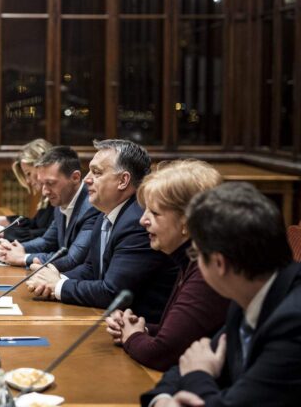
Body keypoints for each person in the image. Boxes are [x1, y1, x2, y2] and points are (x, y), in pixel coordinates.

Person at [141, 182, 301, 406]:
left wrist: (197, 375)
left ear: (219, 263)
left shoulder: (293, 322)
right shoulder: (248, 292)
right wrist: (162, 399)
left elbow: (203, 375)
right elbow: (190, 360)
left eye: (195, 253)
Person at [26, 139, 177, 324]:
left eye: (97, 172)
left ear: (123, 181)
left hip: (141, 328)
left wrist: (58, 285)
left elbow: (112, 292)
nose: (87, 179)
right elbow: (91, 269)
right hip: (108, 321)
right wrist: (53, 279)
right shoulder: (105, 213)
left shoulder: (137, 222)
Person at [105, 160, 230, 371]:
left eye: (154, 213)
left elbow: (161, 353)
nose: (142, 220)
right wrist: (136, 328)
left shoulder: (208, 271)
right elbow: (179, 334)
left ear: (187, 222)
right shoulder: (189, 258)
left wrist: (132, 336)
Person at [0, 146, 100, 272]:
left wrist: (24, 258)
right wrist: (16, 248)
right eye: (42, 183)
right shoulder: (61, 199)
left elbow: (72, 259)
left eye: (50, 183)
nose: (44, 192)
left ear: (75, 177)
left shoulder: (91, 207)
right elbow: (47, 241)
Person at [0, 139, 55, 243]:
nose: (27, 181)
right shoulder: (47, 197)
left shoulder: (57, 196)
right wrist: (3, 220)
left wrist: (4, 232)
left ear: (41, 166)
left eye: (28, 174)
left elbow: (47, 235)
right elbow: (34, 224)